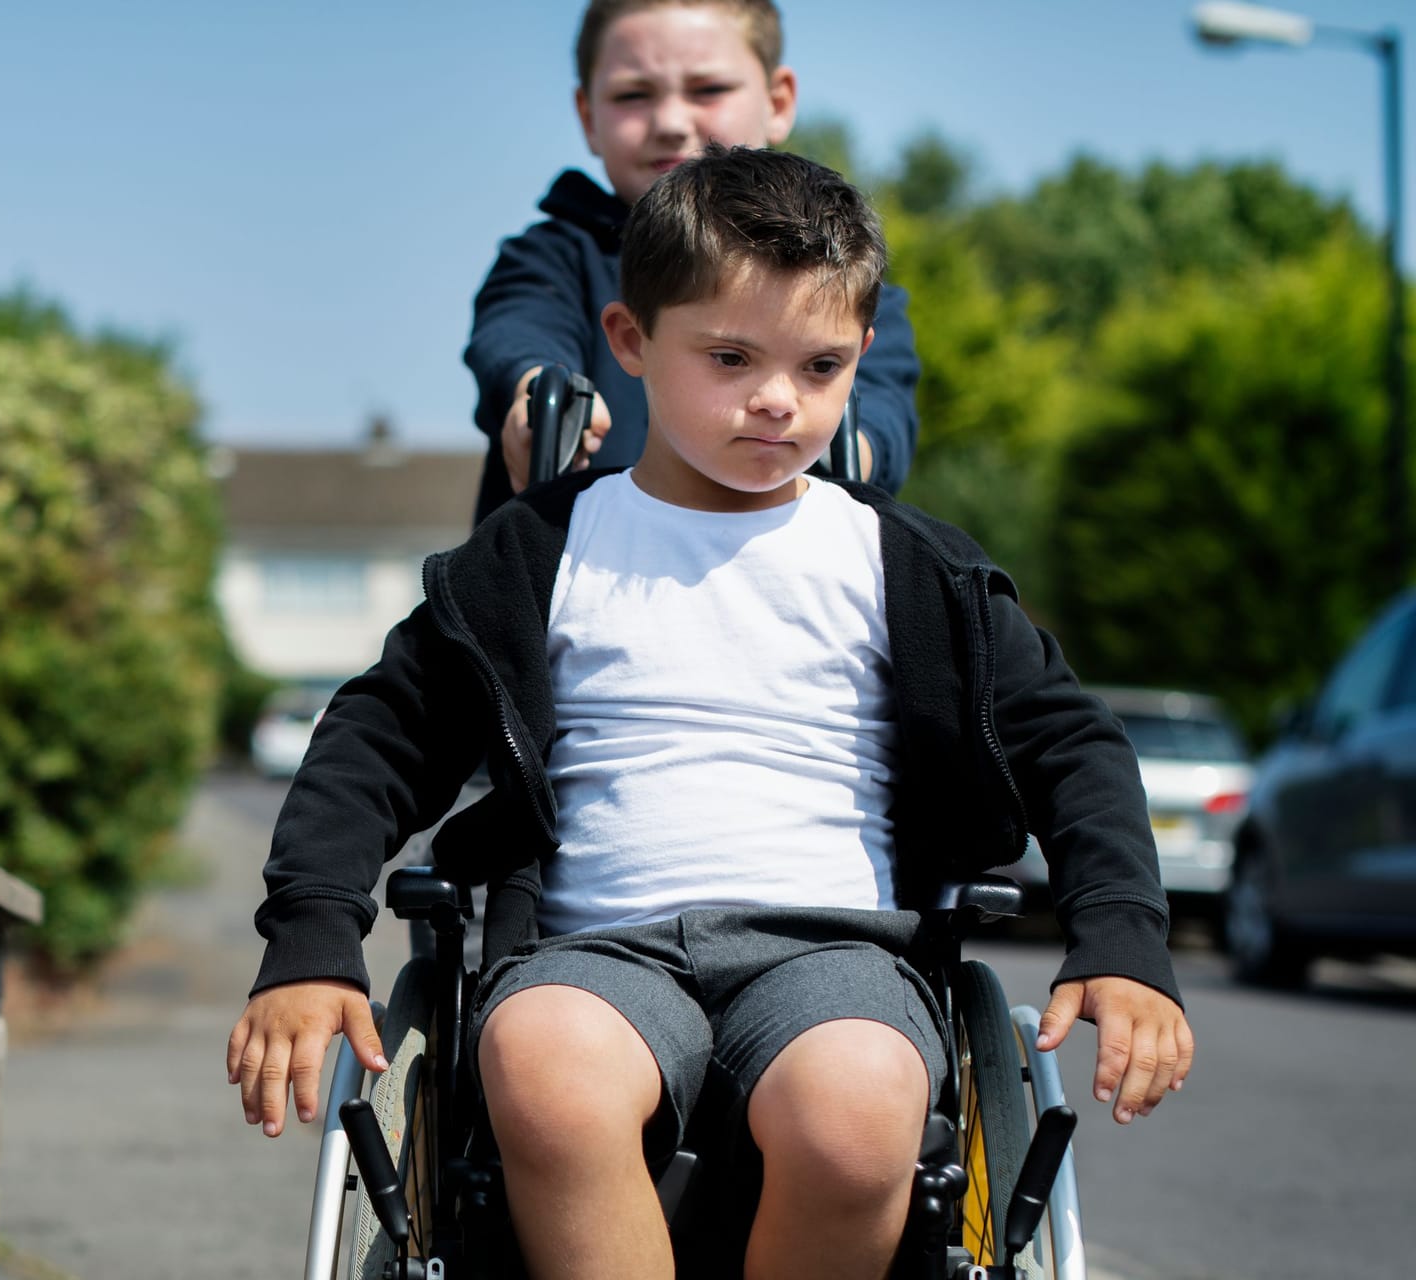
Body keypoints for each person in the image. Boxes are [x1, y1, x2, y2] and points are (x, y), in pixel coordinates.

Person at [228, 147, 1194, 1280]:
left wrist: (1122, 933)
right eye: (730, 356)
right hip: (596, 947)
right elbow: (378, 736)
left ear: (859, 360)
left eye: (820, 364)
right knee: (541, 1063)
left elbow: (1070, 739)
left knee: (861, 1106)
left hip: (836, 946)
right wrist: (310, 938)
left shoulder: (906, 567)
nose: (778, 397)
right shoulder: (538, 551)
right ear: (632, 341)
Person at [464, 0, 922, 524]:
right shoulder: (553, 257)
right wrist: (540, 400)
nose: (670, 122)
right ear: (588, 116)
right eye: (633, 95)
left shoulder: (841, 282)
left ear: (777, 101)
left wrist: (835, 457)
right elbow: (516, 332)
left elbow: (881, 414)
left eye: (708, 90)